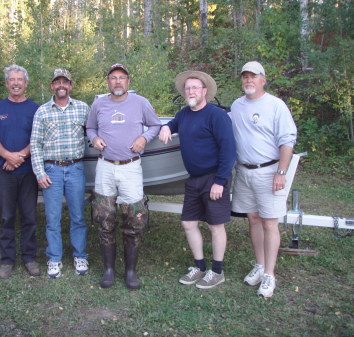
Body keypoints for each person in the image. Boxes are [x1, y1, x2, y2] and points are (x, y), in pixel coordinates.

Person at [86, 63, 161, 290]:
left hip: (131, 167)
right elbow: (90, 128)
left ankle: (130, 271)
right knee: (104, 216)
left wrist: (144, 138)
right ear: (107, 82)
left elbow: (155, 124)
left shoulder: (141, 103)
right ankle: (109, 269)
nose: (117, 81)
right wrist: (94, 139)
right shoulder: (99, 104)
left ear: (128, 81)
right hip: (105, 167)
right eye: (113, 77)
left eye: (122, 77)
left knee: (133, 218)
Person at [159, 70, 236, 290]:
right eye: (188, 88)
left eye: (195, 87)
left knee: (215, 225)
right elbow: (173, 124)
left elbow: (229, 150)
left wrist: (220, 181)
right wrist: (166, 126)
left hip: (214, 178)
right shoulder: (184, 114)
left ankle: (217, 271)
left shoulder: (216, 115)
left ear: (204, 91)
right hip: (193, 179)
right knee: (188, 223)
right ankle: (200, 266)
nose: (191, 91)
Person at [230, 61, 297, 298]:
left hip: (270, 172)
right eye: (245, 76)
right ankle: (259, 265)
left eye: (253, 76)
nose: (248, 80)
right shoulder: (236, 106)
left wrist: (281, 172)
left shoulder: (275, 105)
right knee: (253, 220)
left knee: (270, 222)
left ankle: (270, 274)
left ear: (263, 80)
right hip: (244, 172)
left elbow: (287, 140)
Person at [30, 68, 90, 279]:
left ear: (71, 86)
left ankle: (80, 255)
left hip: (75, 169)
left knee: (78, 216)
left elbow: (94, 132)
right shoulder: (42, 111)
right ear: (52, 86)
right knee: (52, 218)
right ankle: (54, 259)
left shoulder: (83, 108)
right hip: (52, 171)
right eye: (57, 82)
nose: (61, 85)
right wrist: (39, 172)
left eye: (65, 82)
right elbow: (35, 144)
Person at [0, 64, 40, 279]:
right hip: (4, 172)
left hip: (28, 172)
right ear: (6, 83)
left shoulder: (36, 109)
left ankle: (29, 257)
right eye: (12, 79)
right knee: (7, 216)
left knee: (29, 216)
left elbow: (37, 139)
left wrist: (19, 157)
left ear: (26, 84)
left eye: (20, 79)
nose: (16, 83)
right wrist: (8, 156)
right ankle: (7, 260)